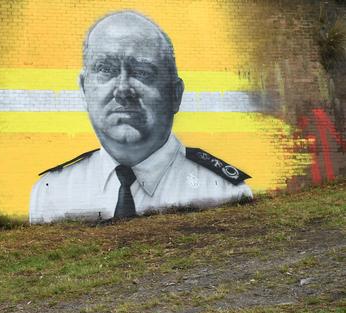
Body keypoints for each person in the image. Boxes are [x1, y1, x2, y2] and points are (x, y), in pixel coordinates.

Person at [29, 11, 253, 223]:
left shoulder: (222, 190)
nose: (123, 90)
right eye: (106, 69)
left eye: (142, 72)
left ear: (175, 95)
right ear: (84, 89)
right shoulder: (52, 191)